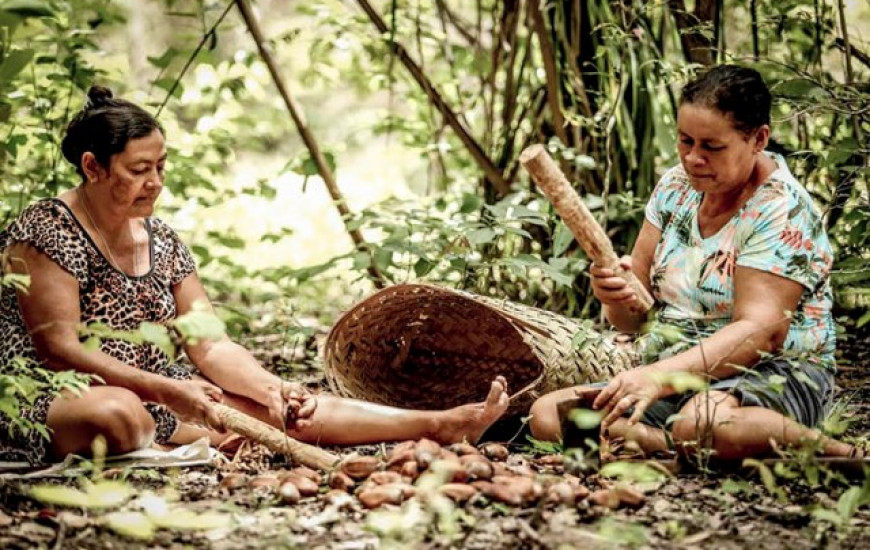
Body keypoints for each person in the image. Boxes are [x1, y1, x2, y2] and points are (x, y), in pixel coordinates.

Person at [0, 86, 509, 465]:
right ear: (92, 167)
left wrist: (268, 388)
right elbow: (58, 350)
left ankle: (440, 425)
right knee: (114, 416)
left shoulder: (161, 239)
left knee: (289, 407)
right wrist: (166, 391)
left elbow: (210, 345)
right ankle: (203, 435)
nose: (154, 182)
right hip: (59, 395)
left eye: (161, 165)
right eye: (138, 169)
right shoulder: (45, 229)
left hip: (159, 392)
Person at [529, 65, 857, 461]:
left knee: (702, 425)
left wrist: (656, 377)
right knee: (550, 415)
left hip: (772, 374)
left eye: (711, 147)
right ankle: (674, 447)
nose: (693, 158)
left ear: (758, 139)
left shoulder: (779, 208)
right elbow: (634, 320)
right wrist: (614, 296)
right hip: (676, 370)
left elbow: (760, 334)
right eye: (685, 142)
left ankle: (844, 453)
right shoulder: (674, 188)